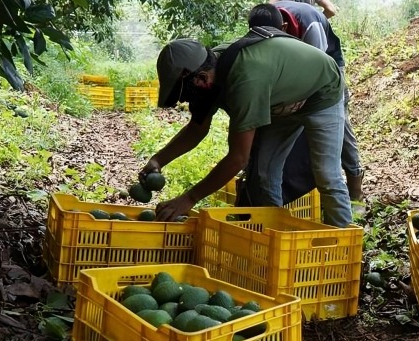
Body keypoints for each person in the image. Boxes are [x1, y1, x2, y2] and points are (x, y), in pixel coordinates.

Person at [141, 34, 352, 227]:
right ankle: (274, 234)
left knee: (327, 174)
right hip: (279, 101)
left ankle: (343, 246)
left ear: (202, 79)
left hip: (322, 91)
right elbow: (197, 129)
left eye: (187, 95)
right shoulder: (208, 72)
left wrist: (189, 198)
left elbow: (238, 158)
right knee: (265, 173)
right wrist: (158, 160)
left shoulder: (244, 80)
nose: (187, 101)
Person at [248, 2, 365, 201]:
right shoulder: (264, 20)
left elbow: (317, 73)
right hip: (294, 66)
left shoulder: (310, 25)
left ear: (283, 28)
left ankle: (355, 190)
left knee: (339, 123)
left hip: (327, 69)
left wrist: (295, 102)